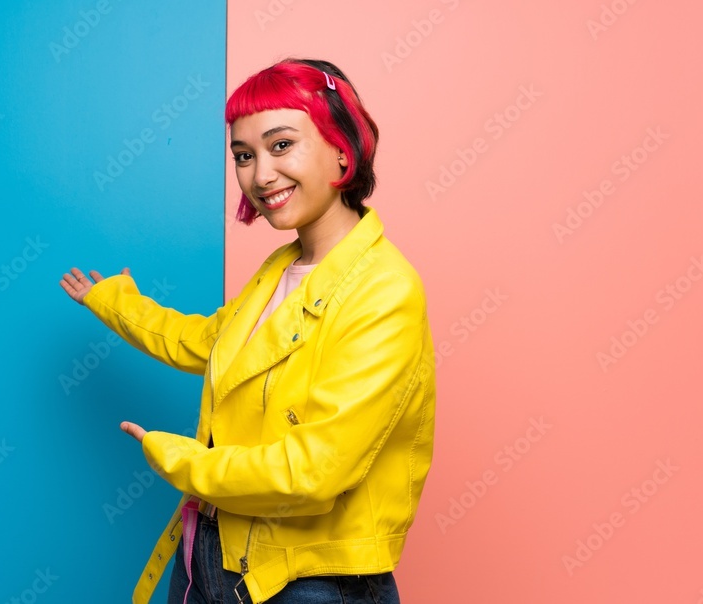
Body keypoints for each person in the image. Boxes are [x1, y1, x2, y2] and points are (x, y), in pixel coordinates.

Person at [60, 58, 435, 604]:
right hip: (211, 555)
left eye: (281, 145)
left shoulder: (385, 291)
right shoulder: (281, 268)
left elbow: (314, 472)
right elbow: (209, 341)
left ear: (341, 146)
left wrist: (183, 461)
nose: (260, 175)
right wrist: (116, 303)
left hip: (310, 582)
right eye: (244, 155)